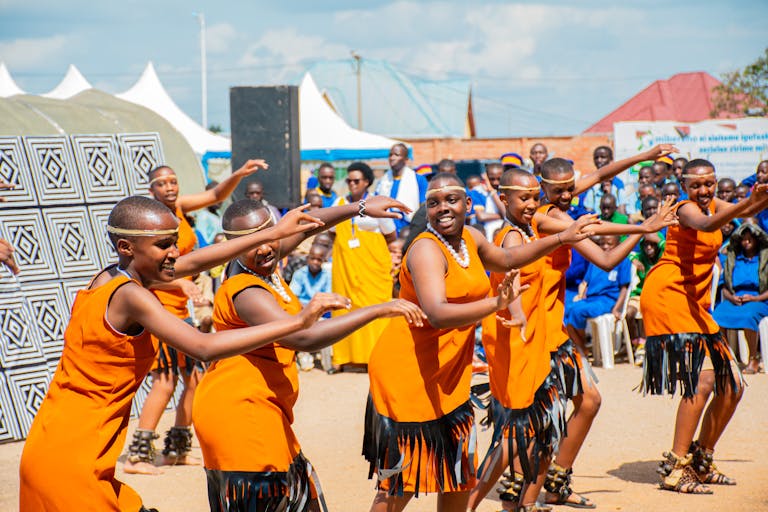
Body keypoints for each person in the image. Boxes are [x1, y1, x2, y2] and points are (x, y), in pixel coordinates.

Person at [18, 196, 345, 511]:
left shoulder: (107, 277)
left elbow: (200, 260)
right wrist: (297, 323)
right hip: (71, 457)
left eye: (175, 242)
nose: (175, 253)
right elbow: (202, 346)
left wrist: (272, 233)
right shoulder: (131, 296)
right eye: (164, 245)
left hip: (52, 441)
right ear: (125, 247)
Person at [363, 173, 598, 512]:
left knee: (458, 473)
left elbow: (507, 260)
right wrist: (496, 304)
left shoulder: (470, 238)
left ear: (468, 204)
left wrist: (562, 237)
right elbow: (438, 313)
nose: (443, 208)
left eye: (451, 200)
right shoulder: (426, 250)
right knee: (402, 480)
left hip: (448, 370)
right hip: (409, 372)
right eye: (433, 203)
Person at [192, 196, 424, 512]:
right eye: (252, 241)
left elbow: (306, 228)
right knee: (278, 499)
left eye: (269, 234)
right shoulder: (246, 291)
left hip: (263, 407)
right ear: (233, 246)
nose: (265, 247)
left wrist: (359, 208)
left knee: (303, 496)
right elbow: (303, 337)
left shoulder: (263, 264)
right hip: (239, 412)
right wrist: (378, 309)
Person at [507, 158, 677, 509]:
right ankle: (524, 494)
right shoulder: (547, 215)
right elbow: (606, 259)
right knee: (539, 415)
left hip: (555, 325)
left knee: (588, 400)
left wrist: (646, 155)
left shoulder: (559, 200)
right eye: (560, 189)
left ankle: (555, 480)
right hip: (535, 327)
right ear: (541, 188)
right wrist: (644, 228)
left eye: (572, 186)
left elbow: (600, 174)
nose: (570, 192)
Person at [124, 160, 271, 475]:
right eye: (162, 183)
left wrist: (239, 174)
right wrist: (181, 283)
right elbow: (145, 271)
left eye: (173, 181)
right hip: (156, 308)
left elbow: (217, 194)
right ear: (151, 190)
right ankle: (138, 454)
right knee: (165, 382)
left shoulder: (180, 208)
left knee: (194, 380)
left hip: (180, 311)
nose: (170, 187)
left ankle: (176, 449)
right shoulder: (146, 222)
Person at [466, 169, 599, 512]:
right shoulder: (521, 231)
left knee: (542, 422)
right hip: (518, 335)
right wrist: (641, 229)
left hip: (540, 333)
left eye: (533, 196)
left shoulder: (533, 222)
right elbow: (509, 275)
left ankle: (527, 500)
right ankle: (473, 504)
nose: (530, 202)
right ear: (504, 198)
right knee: (518, 431)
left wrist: (641, 158)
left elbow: (591, 180)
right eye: (522, 198)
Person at [640, 159, 768, 494]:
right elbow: (711, 222)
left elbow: (753, 205)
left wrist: (761, 194)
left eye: (709, 184)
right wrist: (746, 202)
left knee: (733, 385)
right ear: (683, 185)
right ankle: (676, 466)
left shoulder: (714, 203)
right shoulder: (685, 209)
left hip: (695, 302)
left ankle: (701, 459)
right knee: (704, 379)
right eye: (696, 185)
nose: (704, 191)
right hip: (669, 294)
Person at [331, 162, 398, 373]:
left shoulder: (377, 203)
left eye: (356, 180)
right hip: (345, 268)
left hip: (373, 269)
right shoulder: (339, 202)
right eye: (349, 180)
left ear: (367, 182)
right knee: (344, 309)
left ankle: (376, 358)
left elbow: (391, 235)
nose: (352, 184)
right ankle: (345, 358)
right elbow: (331, 231)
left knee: (375, 310)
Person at [713, 222, 768, 374]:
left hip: (759, 298)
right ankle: (724, 357)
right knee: (717, 316)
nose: (746, 242)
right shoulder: (735, 260)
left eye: (750, 239)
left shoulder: (764, 259)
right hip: (736, 298)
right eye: (744, 239)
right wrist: (732, 298)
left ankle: (753, 358)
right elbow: (724, 287)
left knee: (748, 316)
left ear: (757, 240)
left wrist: (754, 298)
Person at [565, 235, 632, 354]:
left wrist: (617, 309)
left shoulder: (623, 261)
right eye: (602, 244)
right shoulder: (595, 261)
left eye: (609, 244)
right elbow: (586, 282)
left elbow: (624, 288)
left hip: (607, 300)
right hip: (591, 299)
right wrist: (582, 295)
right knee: (566, 310)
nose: (605, 247)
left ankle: (581, 347)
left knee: (577, 311)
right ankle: (581, 346)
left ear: (617, 244)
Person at [290, 244, 333, 371]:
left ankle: (327, 365)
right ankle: (302, 355)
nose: (315, 262)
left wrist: (315, 310)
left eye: (319, 259)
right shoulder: (300, 274)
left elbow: (327, 297)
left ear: (323, 260)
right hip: (301, 311)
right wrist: (308, 309)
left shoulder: (327, 275)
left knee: (326, 325)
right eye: (312, 258)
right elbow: (294, 297)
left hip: (320, 312)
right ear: (308, 259)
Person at [626, 233, 665, 364]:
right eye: (646, 244)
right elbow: (625, 252)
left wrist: (659, 240)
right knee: (629, 313)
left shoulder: (662, 258)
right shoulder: (640, 257)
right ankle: (636, 343)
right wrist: (633, 259)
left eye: (652, 244)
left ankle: (643, 347)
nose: (649, 247)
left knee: (646, 309)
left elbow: (667, 247)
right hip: (639, 294)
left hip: (657, 295)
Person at [375, 143, 428, 234]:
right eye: (390, 155)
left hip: (409, 230)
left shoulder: (418, 180)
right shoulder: (383, 181)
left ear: (406, 159)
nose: (392, 158)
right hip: (385, 231)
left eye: (396, 155)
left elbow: (424, 208)